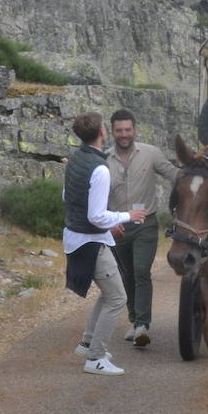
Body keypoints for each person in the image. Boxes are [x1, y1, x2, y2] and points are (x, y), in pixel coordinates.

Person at [64, 112, 148, 376]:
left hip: (80, 237)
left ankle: (88, 342)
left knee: (110, 291)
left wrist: (108, 223)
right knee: (118, 298)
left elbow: (69, 196)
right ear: (103, 133)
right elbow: (96, 215)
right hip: (91, 241)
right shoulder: (99, 168)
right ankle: (95, 357)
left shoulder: (75, 159)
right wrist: (127, 216)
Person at [105, 108, 178, 348]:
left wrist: (200, 173)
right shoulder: (104, 160)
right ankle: (134, 319)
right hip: (118, 227)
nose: (124, 134)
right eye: (119, 130)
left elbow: (174, 174)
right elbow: (99, 196)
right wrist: (109, 223)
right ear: (112, 132)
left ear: (135, 130)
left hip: (145, 224)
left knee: (140, 271)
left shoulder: (151, 153)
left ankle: (143, 325)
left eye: (128, 130)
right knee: (126, 275)